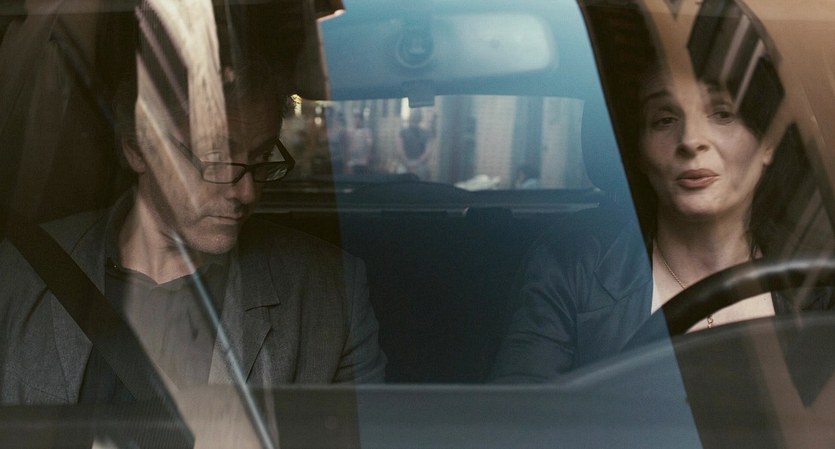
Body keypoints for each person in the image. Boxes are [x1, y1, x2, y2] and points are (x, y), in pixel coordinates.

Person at [0, 3, 385, 405]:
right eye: (215, 159)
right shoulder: (17, 273)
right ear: (137, 149)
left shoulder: (330, 293)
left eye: (261, 157)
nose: (246, 193)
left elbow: (367, 431)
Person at [489, 65, 833, 383]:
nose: (690, 140)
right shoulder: (572, 265)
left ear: (768, 142)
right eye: (664, 120)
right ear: (638, 152)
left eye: (722, 114)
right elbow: (520, 416)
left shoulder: (820, 279)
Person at [396, 110, 435, 180]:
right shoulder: (426, 133)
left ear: (410, 118)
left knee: (401, 178)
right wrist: (415, 163)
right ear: (420, 118)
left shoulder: (402, 132)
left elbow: (400, 151)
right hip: (417, 166)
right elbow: (428, 152)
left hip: (408, 166)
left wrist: (409, 164)